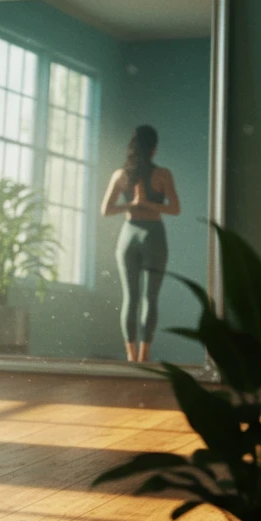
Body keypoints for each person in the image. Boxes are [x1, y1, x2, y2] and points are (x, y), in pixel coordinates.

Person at [100, 125, 181, 362]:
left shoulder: (120, 175)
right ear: (154, 149)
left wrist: (132, 204)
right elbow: (175, 209)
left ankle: (131, 355)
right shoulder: (163, 174)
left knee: (131, 298)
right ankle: (143, 356)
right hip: (153, 234)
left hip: (129, 234)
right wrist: (148, 204)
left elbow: (106, 210)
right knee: (149, 298)